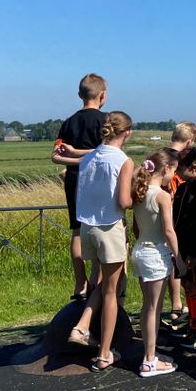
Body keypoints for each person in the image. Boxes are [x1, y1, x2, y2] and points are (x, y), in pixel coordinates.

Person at [66, 111, 135, 372]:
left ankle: (83, 325)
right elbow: (123, 202)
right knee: (111, 292)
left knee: (100, 281)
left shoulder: (88, 158)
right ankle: (104, 353)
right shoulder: (123, 161)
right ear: (126, 133)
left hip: (87, 227)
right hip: (109, 227)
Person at [51, 73, 107, 300]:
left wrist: (74, 160)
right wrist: (87, 157)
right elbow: (106, 152)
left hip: (74, 179)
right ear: (102, 95)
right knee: (100, 227)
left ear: (79, 95)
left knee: (77, 230)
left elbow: (55, 156)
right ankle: (96, 281)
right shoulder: (105, 121)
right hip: (99, 179)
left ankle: (79, 283)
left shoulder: (68, 122)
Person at [130, 148, 182, 377]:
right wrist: (178, 258)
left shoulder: (140, 191)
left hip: (140, 250)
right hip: (155, 254)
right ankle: (149, 360)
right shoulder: (162, 195)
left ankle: (151, 354)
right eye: (174, 170)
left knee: (148, 307)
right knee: (154, 309)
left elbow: (136, 227)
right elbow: (169, 231)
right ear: (166, 169)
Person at [171, 147, 196, 350]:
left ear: (194, 168)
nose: (176, 171)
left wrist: (194, 254)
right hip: (180, 244)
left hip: (193, 246)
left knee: (194, 284)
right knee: (186, 283)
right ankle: (191, 321)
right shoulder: (181, 188)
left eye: (180, 167)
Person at [163, 121, 196, 330]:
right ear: (189, 140)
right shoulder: (181, 159)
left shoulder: (158, 155)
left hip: (158, 213)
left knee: (169, 259)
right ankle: (181, 303)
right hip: (176, 213)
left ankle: (176, 302)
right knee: (177, 257)